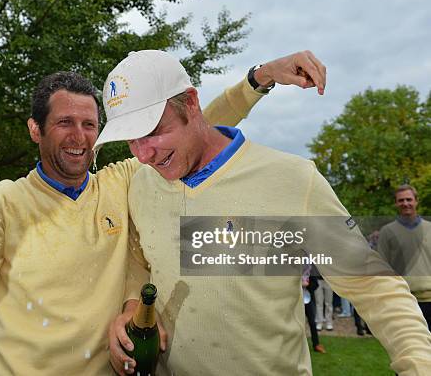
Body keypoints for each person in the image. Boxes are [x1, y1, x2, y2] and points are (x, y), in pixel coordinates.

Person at [0, 51, 326, 375]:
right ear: (35, 130)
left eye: (90, 124)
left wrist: (257, 80)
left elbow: (190, 124)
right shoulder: (5, 203)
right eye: (65, 123)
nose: (80, 136)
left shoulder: (121, 181)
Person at [99, 50, 431, 375]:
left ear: (190, 103)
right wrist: (132, 306)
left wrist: (419, 364)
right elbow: (141, 258)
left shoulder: (291, 179)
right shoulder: (141, 184)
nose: (143, 155)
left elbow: (374, 287)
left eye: (153, 132)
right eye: (131, 140)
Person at [378, 185, 431, 330]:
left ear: (416, 201)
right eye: (401, 200)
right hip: (403, 300)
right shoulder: (387, 232)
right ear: (396, 203)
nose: (405, 203)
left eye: (409, 199)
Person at [302, 265, 325, 353]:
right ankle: (298, 345)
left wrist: (307, 285)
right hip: (296, 299)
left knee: (312, 322)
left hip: (308, 298)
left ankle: (316, 344)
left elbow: (315, 284)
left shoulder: (309, 267)